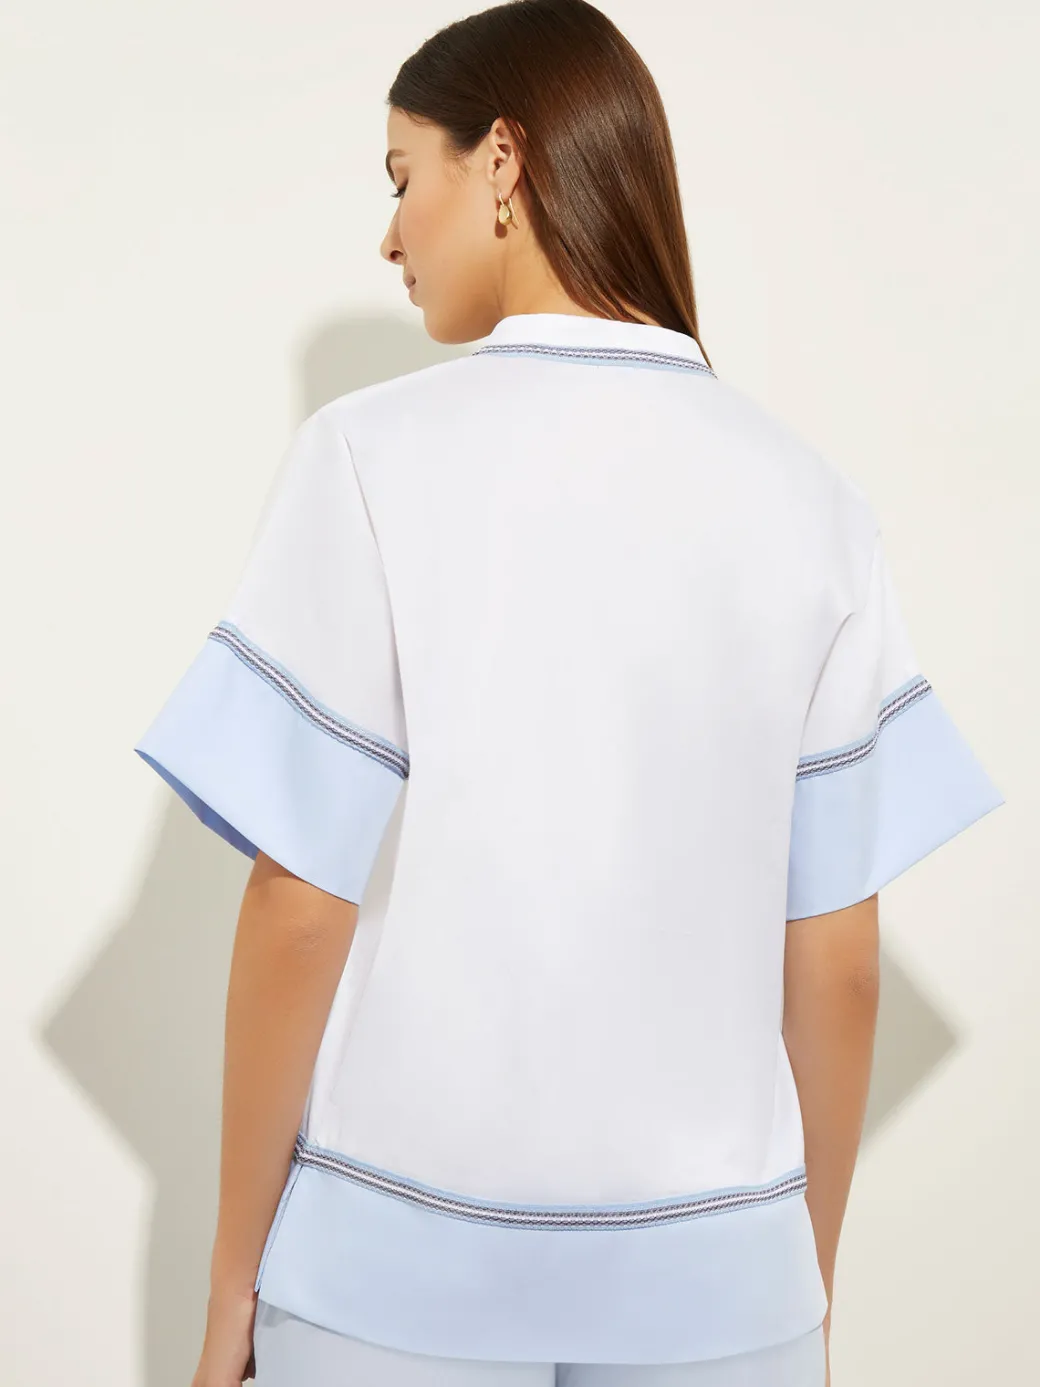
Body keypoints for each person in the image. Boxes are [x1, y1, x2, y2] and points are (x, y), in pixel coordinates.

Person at [132, 2, 1005, 1384]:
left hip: (390, 1284)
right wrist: (797, 1288)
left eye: (400, 177)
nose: (390, 235)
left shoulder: (368, 458)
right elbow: (838, 958)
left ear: (501, 159)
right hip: (723, 1293)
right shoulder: (814, 504)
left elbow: (298, 904)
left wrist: (232, 1279)